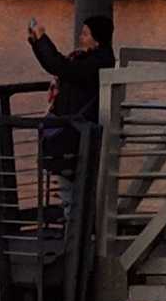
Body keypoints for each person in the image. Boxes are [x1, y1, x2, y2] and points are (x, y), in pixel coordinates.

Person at [26, 11, 114, 216]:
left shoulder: (94, 64)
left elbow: (62, 67)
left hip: (75, 134)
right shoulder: (96, 60)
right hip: (78, 132)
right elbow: (62, 66)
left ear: (97, 39)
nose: (81, 38)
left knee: (70, 192)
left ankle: (75, 240)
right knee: (73, 189)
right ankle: (78, 236)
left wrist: (41, 40)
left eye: (85, 33)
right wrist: (37, 44)